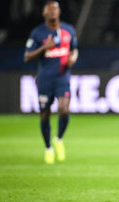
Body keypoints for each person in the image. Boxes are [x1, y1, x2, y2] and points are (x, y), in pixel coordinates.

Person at [24, 1, 78, 164]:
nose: (53, 12)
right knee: (45, 115)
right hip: (45, 80)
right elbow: (27, 57)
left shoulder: (68, 30)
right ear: (44, 14)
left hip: (62, 78)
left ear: (59, 12)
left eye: (55, 9)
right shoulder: (38, 33)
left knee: (64, 110)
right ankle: (48, 147)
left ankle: (59, 139)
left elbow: (74, 49)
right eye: (49, 10)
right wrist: (44, 48)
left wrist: (72, 59)